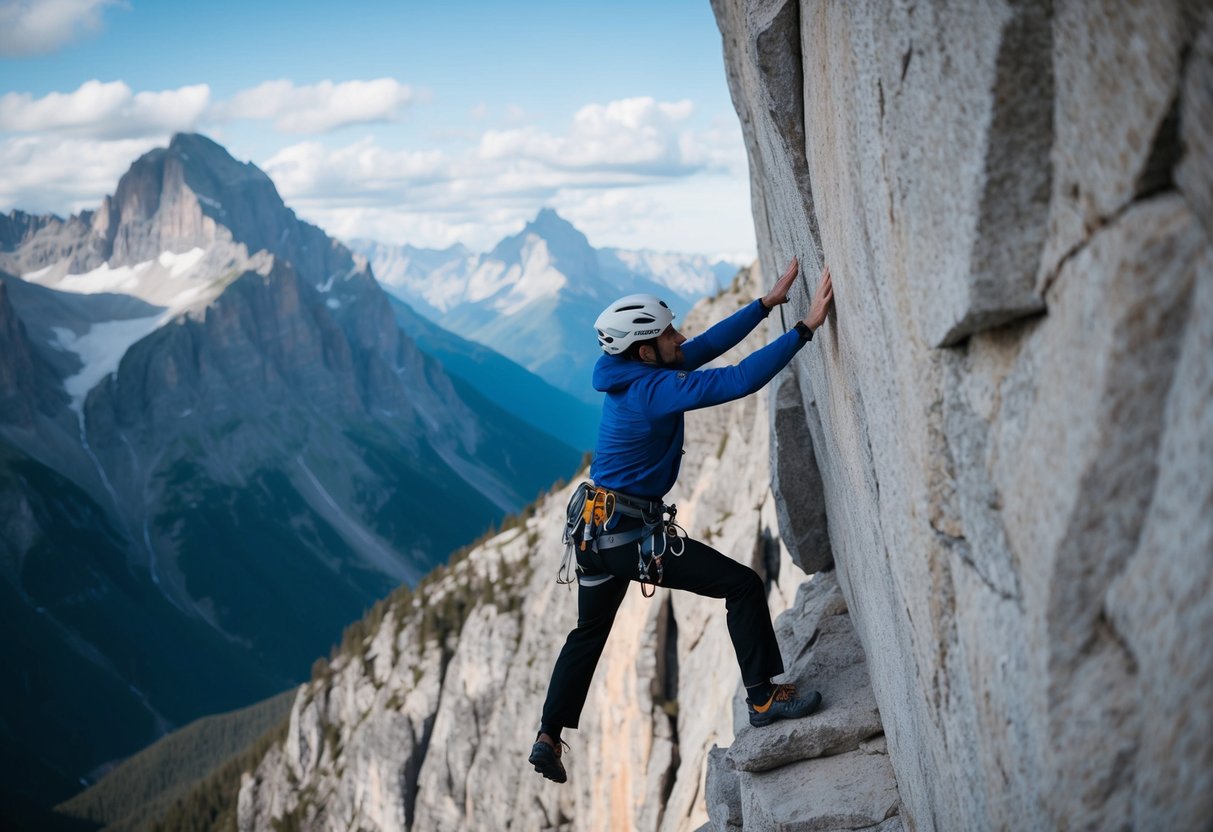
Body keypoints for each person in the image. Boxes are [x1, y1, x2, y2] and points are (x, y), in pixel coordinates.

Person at [529, 257, 835, 784]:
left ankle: (549, 735)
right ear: (646, 350)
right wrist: (805, 328)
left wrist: (765, 305)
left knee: (588, 633)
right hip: (629, 537)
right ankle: (762, 697)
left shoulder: (634, 375)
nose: (681, 335)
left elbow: (705, 348)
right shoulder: (654, 392)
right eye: (670, 332)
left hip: (593, 533)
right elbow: (737, 380)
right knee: (742, 585)